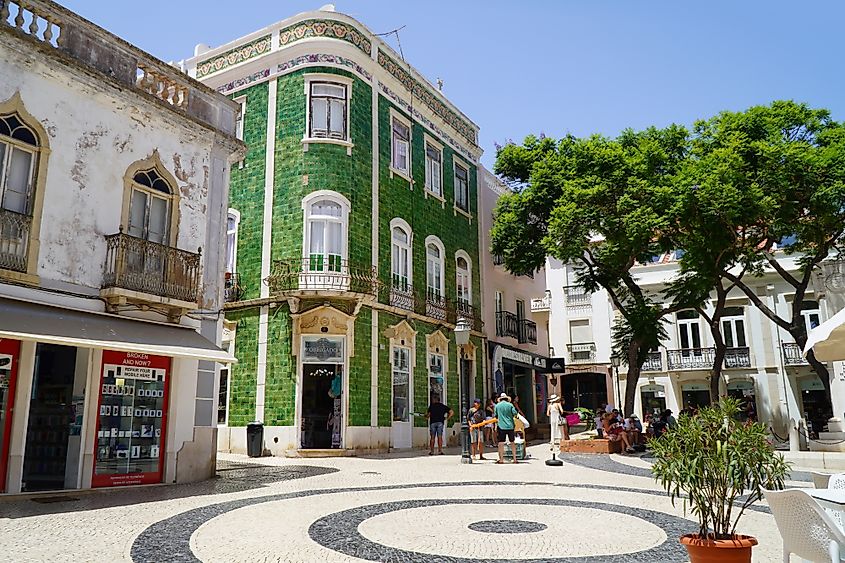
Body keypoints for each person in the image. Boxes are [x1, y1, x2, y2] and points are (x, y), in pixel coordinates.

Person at [494, 393, 519, 464]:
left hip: (501, 426)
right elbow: (515, 413)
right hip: (510, 426)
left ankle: (501, 459)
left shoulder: (497, 406)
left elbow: (496, 416)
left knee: (501, 443)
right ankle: (514, 459)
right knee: (512, 442)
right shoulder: (510, 405)